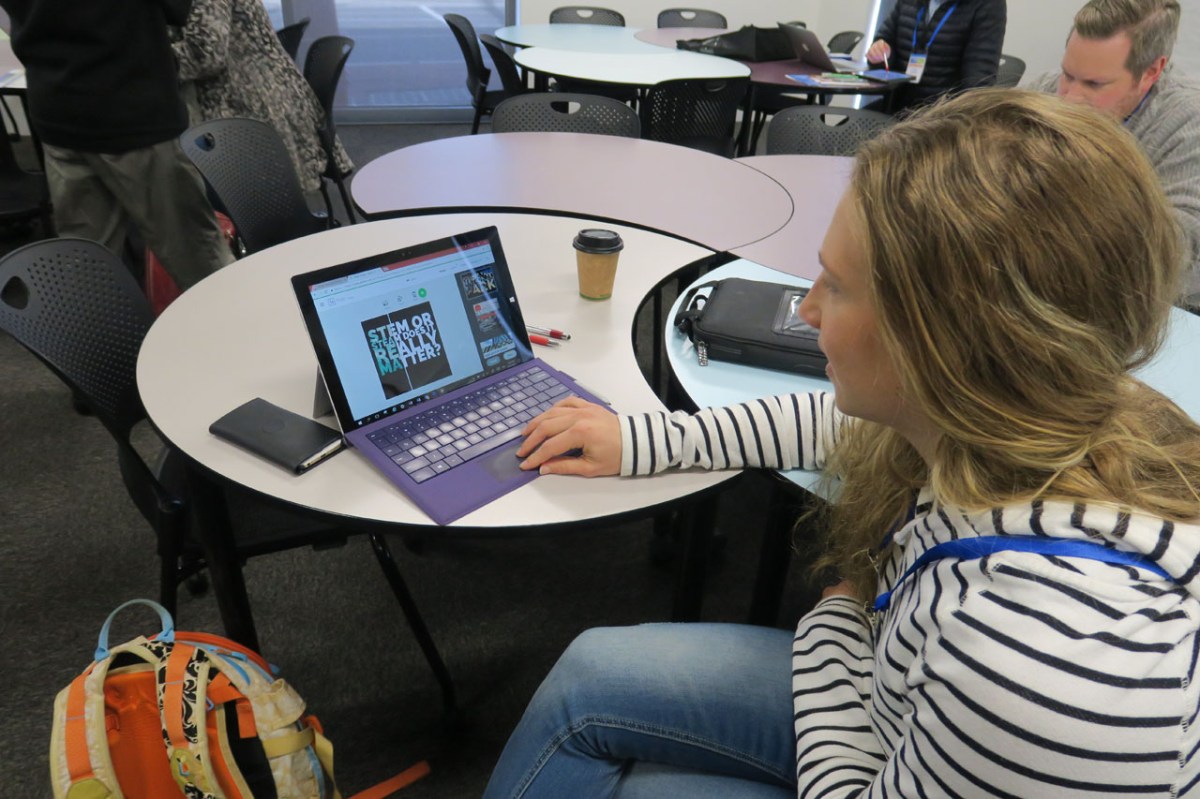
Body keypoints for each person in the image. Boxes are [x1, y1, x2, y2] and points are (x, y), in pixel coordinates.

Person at [485, 89, 1200, 797]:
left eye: (838, 285)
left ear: (945, 344)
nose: (805, 309)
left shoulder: (1042, 666)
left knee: (641, 787)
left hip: (900, 718)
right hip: (895, 695)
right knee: (589, 674)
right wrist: (646, 438)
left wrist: (834, 620)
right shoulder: (1040, 407)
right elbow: (840, 424)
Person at [0, 0, 234, 292]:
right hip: (133, 112)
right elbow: (178, 9)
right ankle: (238, 320)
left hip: (58, 109)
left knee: (87, 269)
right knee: (200, 261)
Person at [1028, 0, 1200, 308]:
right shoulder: (1045, 89)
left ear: (1151, 72)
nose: (1070, 98)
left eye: (1095, 84)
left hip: (1147, 301)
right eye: (1068, 75)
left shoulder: (1187, 123)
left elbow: (1176, 249)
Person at [172, 0, 353, 195]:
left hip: (249, 107)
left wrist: (152, 58)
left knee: (181, 180)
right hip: (270, 94)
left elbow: (207, 55)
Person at [864, 0, 1007, 113]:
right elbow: (886, 40)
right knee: (858, 128)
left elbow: (977, 85)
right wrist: (881, 54)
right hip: (897, 105)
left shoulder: (988, 4)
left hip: (942, 116)